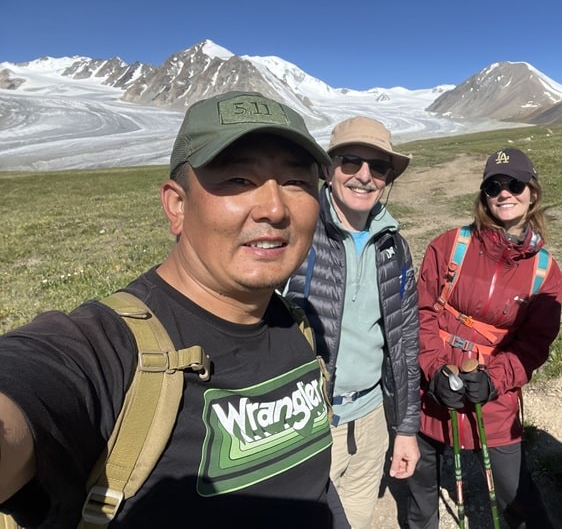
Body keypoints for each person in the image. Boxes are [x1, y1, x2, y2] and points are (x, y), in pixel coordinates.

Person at [0, 91, 351, 528]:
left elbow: (311, 480)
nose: (275, 209)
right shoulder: (108, 350)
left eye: (297, 182)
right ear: (177, 205)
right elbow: (30, 385)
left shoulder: (294, 325)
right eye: (239, 180)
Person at [406, 148, 562, 529]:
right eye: (494, 185)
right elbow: (422, 312)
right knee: (420, 485)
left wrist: (495, 380)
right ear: (483, 194)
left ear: (533, 193)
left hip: (491, 395)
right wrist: (434, 368)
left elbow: (533, 344)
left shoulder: (545, 272)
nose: (505, 193)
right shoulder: (449, 246)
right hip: (432, 385)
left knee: (515, 492)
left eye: (516, 184)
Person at [283, 116, 421, 528]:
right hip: (306, 425)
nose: (364, 176)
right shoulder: (295, 233)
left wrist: (406, 429)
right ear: (328, 169)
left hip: (372, 417)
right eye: (351, 162)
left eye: (378, 167)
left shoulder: (394, 245)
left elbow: (406, 342)